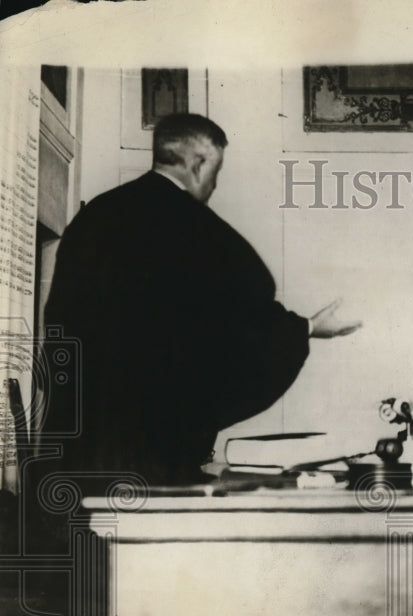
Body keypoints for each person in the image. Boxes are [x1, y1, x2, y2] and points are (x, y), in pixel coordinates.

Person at [40, 113, 361, 485]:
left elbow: (58, 324)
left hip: (75, 452)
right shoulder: (201, 231)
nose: (213, 185)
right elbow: (248, 318)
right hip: (151, 457)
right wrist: (307, 327)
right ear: (198, 164)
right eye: (215, 171)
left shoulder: (94, 217)